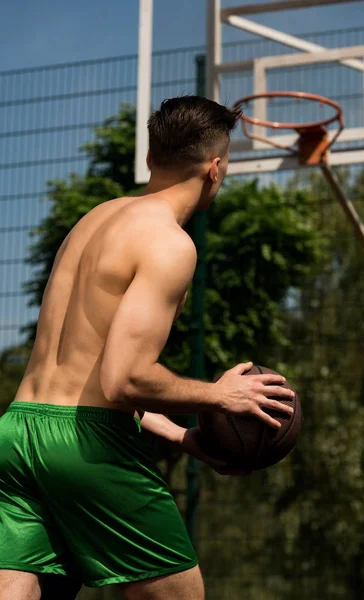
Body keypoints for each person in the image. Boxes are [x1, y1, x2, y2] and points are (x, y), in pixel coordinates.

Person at [0, 95, 295, 600]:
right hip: (86, 447)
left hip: (17, 432)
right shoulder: (170, 243)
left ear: (149, 158)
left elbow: (92, 376)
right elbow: (123, 379)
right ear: (216, 169)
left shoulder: (93, 221)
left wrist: (182, 438)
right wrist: (222, 396)